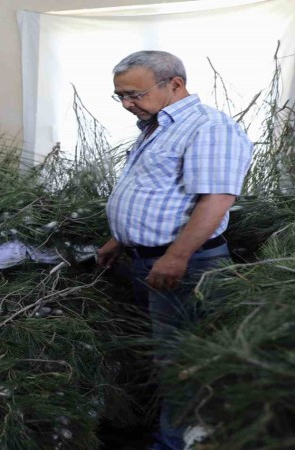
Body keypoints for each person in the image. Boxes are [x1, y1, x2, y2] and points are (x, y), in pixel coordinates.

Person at [96, 51, 252, 449]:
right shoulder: (158, 125)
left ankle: (175, 445)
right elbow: (155, 191)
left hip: (188, 266)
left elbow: (216, 200)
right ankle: (169, 435)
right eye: (121, 96)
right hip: (148, 259)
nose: (128, 104)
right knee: (164, 359)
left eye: (134, 94)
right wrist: (121, 238)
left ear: (174, 85)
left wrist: (177, 256)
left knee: (184, 364)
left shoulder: (208, 127)